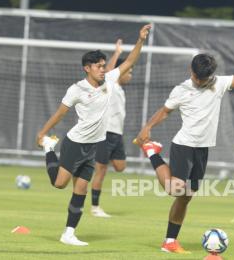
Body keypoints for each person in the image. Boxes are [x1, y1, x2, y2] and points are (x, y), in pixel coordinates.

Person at [135, 29, 234, 254]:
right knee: (175, 189)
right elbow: (165, 111)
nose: (199, 80)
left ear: (210, 75)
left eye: (203, 78)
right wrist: (147, 127)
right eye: (197, 76)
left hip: (202, 149)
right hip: (184, 145)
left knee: (186, 197)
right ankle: (152, 151)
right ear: (190, 70)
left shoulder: (218, 84)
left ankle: (169, 242)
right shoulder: (181, 89)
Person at [36, 24, 151, 246]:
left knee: (81, 190)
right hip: (75, 143)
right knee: (59, 184)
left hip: (93, 146)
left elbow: (130, 62)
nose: (102, 69)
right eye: (98, 66)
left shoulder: (109, 80)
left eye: (102, 66)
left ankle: (68, 233)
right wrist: (43, 133)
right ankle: (49, 149)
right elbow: (60, 114)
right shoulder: (76, 89)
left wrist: (140, 40)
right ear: (87, 68)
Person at [90, 39, 131, 218]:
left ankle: (89, 161)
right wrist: (117, 53)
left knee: (120, 167)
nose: (130, 75)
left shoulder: (120, 90)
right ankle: (95, 207)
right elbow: (109, 72)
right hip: (105, 133)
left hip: (117, 135)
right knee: (101, 170)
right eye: (129, 72)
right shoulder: (110, 86)